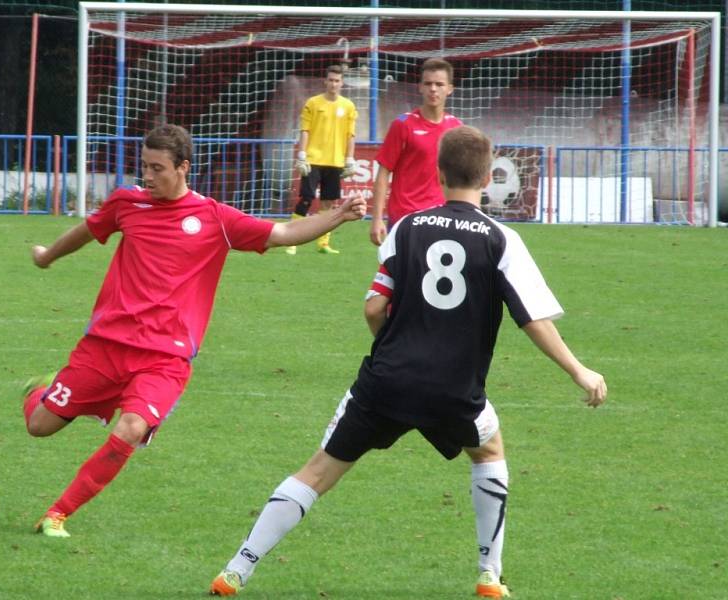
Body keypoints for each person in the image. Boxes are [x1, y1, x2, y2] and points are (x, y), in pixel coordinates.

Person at [209, 125, 607, 598]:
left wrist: (393, 347)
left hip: (386, 381)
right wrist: (580, 371)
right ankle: (489, 575)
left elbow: (374, 308)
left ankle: (237, 568)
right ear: (486, 175)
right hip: (453, 389)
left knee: (317, 472)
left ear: (438, 173)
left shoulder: (407, 228)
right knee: (489, 452)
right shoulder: (502, 239)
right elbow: (533, 320)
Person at [21, 124, 367, 538]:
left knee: (131, 428)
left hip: (165, 358)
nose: (147, 177)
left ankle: (57, 514)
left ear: (183, 167)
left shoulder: (214, 218)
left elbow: (282, 233)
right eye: (143, 166)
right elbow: (86, 231)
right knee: (39, 426)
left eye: (157, 168)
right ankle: (40, 392)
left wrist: (339, 216)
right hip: (105, 345)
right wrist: (47, 257)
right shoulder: (127, 204)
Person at [369, 57, 462, 246]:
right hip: (404, 216)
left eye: (439, 84)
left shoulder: (456, 128)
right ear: (420, 87)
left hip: (440, 217)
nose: (433, 89)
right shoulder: (403, 125)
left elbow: (458, 178)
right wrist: (377, 218)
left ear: (449, 89)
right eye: (428, 84)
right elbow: (383, 173)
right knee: (400, 274)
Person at [287, 64, 358, 255]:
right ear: (325, 81)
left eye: (337, 81)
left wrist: (349, 158)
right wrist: (301, 154)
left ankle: (323, 243)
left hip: (335, 161)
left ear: (342, 83)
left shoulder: (348, 106)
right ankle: (291, 240)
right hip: (313, 159)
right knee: (306, 199)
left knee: (328, 203)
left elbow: (350, 135)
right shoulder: (313, 103)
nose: (333, 84)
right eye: (331, 80)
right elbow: (305, 130)